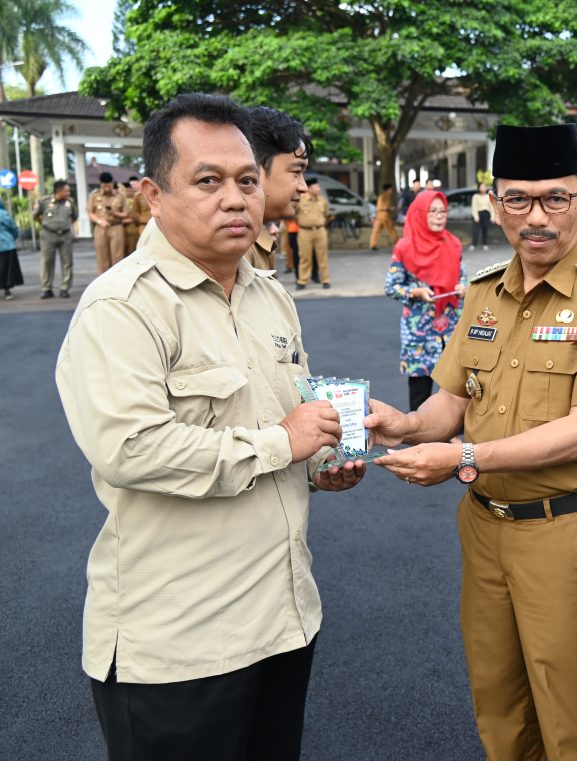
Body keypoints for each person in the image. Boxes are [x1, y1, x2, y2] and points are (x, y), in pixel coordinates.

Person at [55, 92, 367, 761]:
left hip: (283, 623)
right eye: (208, 180)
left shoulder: (270, 295)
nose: (235, 198)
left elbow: (290, 413)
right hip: (179, 647)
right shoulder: (122, 308)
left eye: (248, 180)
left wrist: (319, 461)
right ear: (153, 194)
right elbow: (131, 448)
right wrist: (284, 441)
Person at [365, 123, 577, 760]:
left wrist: (464, 456)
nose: (537, 217)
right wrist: (405, 426)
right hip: (486, 526)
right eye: (518, 199)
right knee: (499, 703)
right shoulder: (484, 292)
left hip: (566, 533)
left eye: (555, 198)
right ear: (495, 205)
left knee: (575, 718)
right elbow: (451, 402)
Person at [385, 190, 467, 411]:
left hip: (451, 325)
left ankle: (452, 434)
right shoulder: (404, 247)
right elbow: (391, 287)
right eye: (433, 212)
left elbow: (463, 276)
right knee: (421, 388)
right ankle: (420, 436)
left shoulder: (453, 243)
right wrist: (416, 292)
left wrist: (462, 287)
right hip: (420, 330)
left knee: (455, 387)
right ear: (420, 214)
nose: (439, 216)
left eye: (443, 211)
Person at [245, 106, 312, 271]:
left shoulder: (254, 242)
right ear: (255, 171)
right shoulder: (237, 251)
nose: (304, 188)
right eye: (296, 172)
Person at [34, 179, 78, 298]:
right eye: (66, 190)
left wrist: (65, 226)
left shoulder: (70, 202)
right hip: (48, 235)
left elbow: (74, 216)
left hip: (65, 236)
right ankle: (46, 288)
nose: (68, 193)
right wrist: (45, 224)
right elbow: (36, 215)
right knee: (47, 262)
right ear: (59, 191)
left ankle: (65, 288)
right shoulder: (44, 201)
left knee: (67, 262)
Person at [88, 172, 128, 273]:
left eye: (109, 185)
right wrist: (99, 221)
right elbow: (90, 213)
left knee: (117, 257)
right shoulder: (94, 196)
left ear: (112, 183)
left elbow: (126, 213)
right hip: (100, 228)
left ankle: (117, 283)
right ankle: (102, 284)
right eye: (104, 185)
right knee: (102, 257)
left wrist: (116, 214)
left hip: (116, 227)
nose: (107, 188)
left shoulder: (120, 196)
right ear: (101, 184)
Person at [295, 177, 330, 289]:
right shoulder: (301, 200)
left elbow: (326, 214)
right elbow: (294, 214)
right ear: (309, 188)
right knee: (305, 257)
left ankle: (325, 280)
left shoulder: (322, 200)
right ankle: (302, 281)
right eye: (317, 186)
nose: (319, 188)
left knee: (322, 257)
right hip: (305, 232)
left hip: (320, 231)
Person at [122, 176, 151, 256]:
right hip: (143, 225)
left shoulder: (158, 193)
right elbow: (135, 213)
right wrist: (141, 221)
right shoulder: (138, 196)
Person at [0, 203, 23, 300]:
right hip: (6, 245)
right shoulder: (2, 213)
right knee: (6, 269)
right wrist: (15, 236)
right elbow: (13, 227)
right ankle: (7, 290)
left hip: (5, 244)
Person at [370, 183, 398, 250]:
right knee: (391, 230)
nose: (391, 190)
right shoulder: (386, 196)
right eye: (391, 189)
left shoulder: (381, 196)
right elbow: (385, 206)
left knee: (376, 230)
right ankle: (397, 243)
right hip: (385, 215)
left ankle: (373, 244)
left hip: (379, 215)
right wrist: (391, 208)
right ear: (388, 189)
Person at [470, 180, 493, 250]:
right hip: (478, 214)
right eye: (482, 187)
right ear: (479, 188)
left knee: (485, 230)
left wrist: (492, 217)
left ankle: (485, 244)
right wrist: (476, 216)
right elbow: (474, 207)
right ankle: (473, 244)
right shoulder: (476, 196)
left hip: (486, 214)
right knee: (475, 230)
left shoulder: (488, 196)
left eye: (484, 187)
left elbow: (491, 207)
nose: (483, 188)